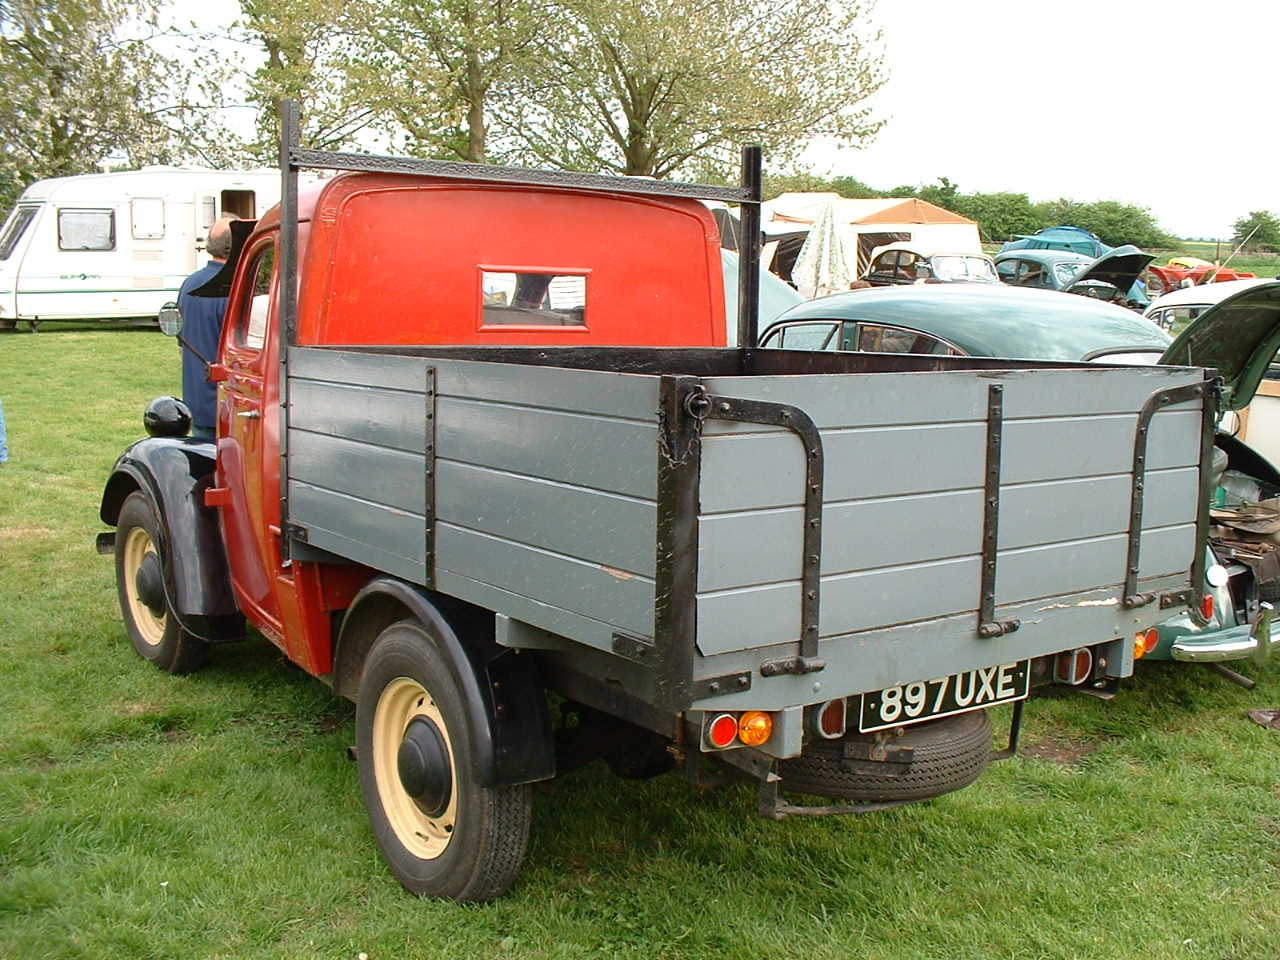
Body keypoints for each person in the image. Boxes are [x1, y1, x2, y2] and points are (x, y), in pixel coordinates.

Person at [178, 215, 238, 439]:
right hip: (228, 405)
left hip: (196, 402)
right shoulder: (233, 288)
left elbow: (181, 345)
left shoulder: (189, 283)